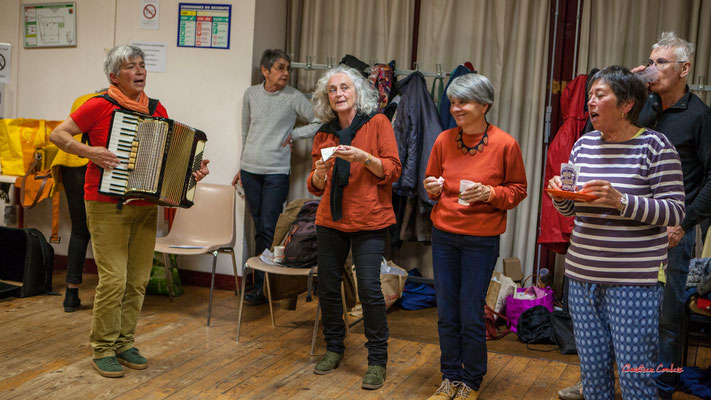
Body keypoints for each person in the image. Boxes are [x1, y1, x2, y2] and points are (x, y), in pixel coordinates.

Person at [558, 32, 711, 400]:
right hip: (581, 275)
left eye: (599, 96)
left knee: (643, 365)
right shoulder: (586, 142)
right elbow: (573, 205)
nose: (590, 103)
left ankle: (665, 383)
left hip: (639, 272)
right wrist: (561, 196)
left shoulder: (666, 138)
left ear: (626, 105)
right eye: (590, 95)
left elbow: (674, 207)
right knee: (593, 376)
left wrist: (620, 200)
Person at [49, 44, 210, 378]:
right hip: (105, 203)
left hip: (144, 205)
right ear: (114, 76)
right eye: (130, 67)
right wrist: (89, 151)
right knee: (114, 279)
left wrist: (188, 172)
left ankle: (125, 343)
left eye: (142, 65)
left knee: (137, 280)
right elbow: (58, 134)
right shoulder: (98, 105)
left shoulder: (155, 107)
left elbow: (165, 158)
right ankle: (103, 348)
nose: (139, 71)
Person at [423, 73, 527, 400]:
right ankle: (449, 376)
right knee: (446, 312)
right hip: (444, 236)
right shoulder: (443, 141)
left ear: (484, 105)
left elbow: (518, 190)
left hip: (480, 241)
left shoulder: (505, 144)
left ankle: (472, 379)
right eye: (453, 102)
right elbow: (430, 181)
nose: (456, 108)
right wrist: (431, 187)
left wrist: (491, 193)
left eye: (463, 102)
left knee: (469, 312)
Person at [307, 65, 401, 390]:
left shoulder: (378, 123)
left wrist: (364, 158)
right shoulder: (324, 134)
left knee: (370, 291)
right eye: (332, 90)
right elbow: (315, 184)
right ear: (327, 97)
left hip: (369, 219)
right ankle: (334, 348)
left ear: (357, 92)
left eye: (345, 87)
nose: (339, 94)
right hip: (329, 220)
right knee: (329, 288)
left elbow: (393, 169)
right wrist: (319, 173)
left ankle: (377, 359)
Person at [632, 32, 711, 400]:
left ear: (684, 69)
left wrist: (685, 222)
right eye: (650, 61)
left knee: (667, 318)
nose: (653, 68)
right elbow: (600, 136)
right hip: (632, 228)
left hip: (672, 233)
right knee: (631, 316)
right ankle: (632, 381)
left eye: (661, 62)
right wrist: (631, 91)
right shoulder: (643, 108)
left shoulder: (699, 116)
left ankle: (661, 387)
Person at [232, 49, 320, 306]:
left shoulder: (293, 97)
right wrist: (240, 165)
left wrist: (293, 134)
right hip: (250, 169)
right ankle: (263, 284)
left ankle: (265, 287)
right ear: (265, 70)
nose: (285, 73)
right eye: (280, 68)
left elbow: (318, 122)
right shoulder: (251, 94)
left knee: (270, 227)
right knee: (259, 227)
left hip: (276, 172)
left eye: (287, 69)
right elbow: (246, 131)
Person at [52, 91, 100, 312]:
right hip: (93, 163)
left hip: (70, 164)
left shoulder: (82, 99)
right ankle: (112, 295)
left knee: (79, 230)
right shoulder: (111, 102)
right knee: (105, 231)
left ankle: (71, 295)